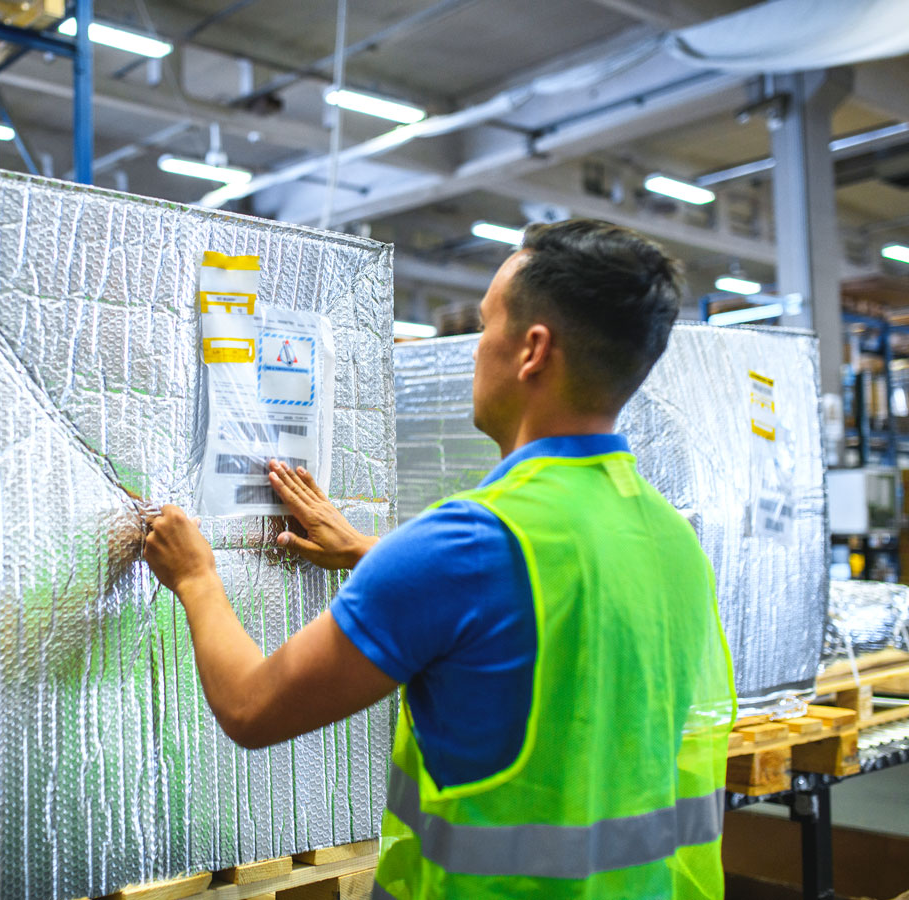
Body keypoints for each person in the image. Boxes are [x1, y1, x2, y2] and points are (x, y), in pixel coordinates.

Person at [143, 218, 736, 900]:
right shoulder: (671, 540)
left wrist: (195, 576)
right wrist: (374, 554)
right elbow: (550, 611)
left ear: (533, 351)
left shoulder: (463, 548)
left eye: (485, 327)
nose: (476, 350)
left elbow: (252, 707)